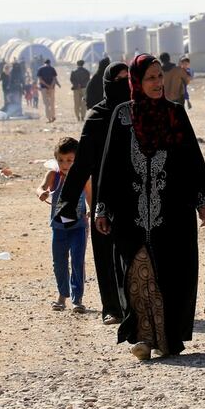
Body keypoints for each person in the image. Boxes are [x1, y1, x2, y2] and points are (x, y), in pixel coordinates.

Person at [93, 54, 205, 360]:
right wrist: (103, 207)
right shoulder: (123, 116)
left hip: (172, 213)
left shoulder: (175, 114)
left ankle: (167, 338)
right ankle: (143, 336)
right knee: (137, 272)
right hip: (130, 213)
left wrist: (203, 199)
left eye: (159, 76)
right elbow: (109, 165)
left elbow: (192, 160)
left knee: (169, 274)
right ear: (138, 81)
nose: (158, 83)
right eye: (150, 77)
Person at [55, 62, 131, 326]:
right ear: (108, 85)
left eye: (128, 80)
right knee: (105, 251)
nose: (124, 86)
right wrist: (67, 200)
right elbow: (83, 162)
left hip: (135, 192)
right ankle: (111, 306)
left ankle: (136, 305)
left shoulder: (139, 112)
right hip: (105, 193)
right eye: (119, 81)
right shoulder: (97, 116)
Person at [37, 137, 90, 314]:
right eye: (61, 160)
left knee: (77, 261)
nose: (65, 164)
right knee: (59, 262)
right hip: (59, 228)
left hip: (79, 226)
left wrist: (92, 210)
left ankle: (77, 299)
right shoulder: (54, 175)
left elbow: (90, 197)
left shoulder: (83, 177)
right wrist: (43, 193)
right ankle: (62, 296)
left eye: (69, 160)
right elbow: (41, 187)